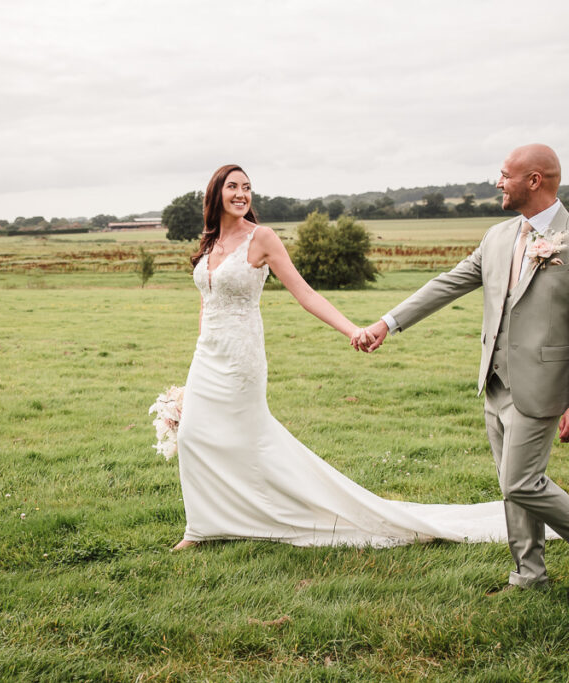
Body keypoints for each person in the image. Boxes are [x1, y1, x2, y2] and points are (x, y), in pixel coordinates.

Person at [172, 164, 529, 553]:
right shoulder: (209, 243)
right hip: (206, 355)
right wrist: (200, 347)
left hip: (242, 358)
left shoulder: (262, 238)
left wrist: (353, 330)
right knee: (193, 436)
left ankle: (246, 517)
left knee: (248, 439)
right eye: (233, 187)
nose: (241, 194)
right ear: (216, 194)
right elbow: (206, 302)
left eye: (247, 187)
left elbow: (306, 294)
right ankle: (204, 524)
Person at [357, 144, 569, 592]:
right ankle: (529, 576)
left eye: (504, 175)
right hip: (495, 382)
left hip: (543, 385)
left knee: (520, 482)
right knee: (512, 484)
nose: (497, 182)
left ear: (534, 180)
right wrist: (388, 322)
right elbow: (448, 284)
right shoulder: (497, 237)